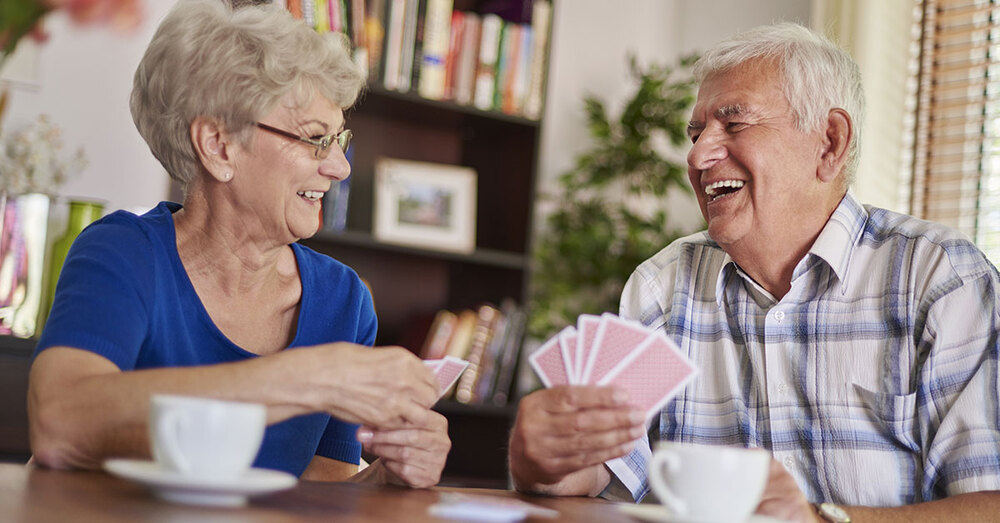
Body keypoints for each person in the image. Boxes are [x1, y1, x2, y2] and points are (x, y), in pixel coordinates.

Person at [508, 22, 1000, 521]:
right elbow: (602, 472)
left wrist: (821, 520)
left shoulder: (940, 280)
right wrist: (545, 461)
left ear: (829, 142)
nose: (698, 156)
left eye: (734, 125)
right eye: (696, 133)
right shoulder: (663, 287)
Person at [28, 0, 449, 488]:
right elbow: (60, 422)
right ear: (218, 145)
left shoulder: (343, 299)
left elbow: (323, 492)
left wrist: (388, 477)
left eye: (340, 139)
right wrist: (311, 377)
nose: (340, 167)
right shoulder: (123, 255)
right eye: (316, 139)